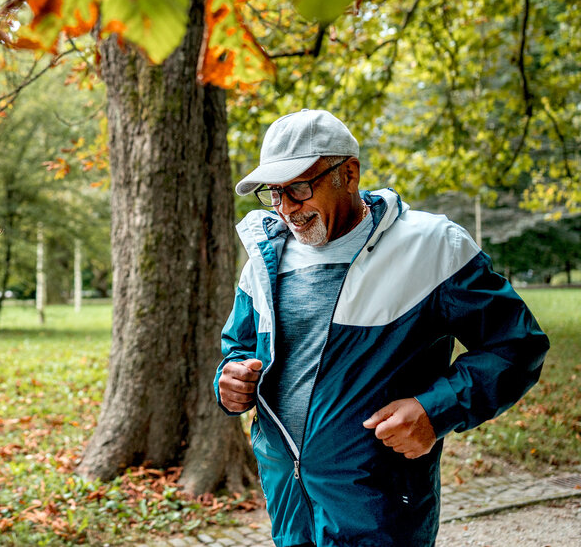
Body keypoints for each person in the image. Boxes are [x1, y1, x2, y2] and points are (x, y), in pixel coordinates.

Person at [214, 109, 550, 547]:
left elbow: (516, 346)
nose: (286, 210)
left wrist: (437, 409)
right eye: (274, 193)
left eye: (298, 188)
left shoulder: (432, 246)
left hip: (380, 510)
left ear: (348, 173)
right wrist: (230, 378)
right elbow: (238, 348)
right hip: (289, 502)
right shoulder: (263, 258)